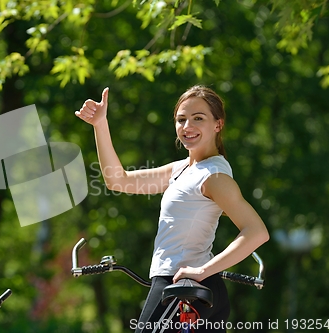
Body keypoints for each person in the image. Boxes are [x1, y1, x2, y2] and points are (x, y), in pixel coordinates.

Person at [75, 86, 269, 332]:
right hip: (187, 288)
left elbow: (256, 231)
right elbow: (119, 181)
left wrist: (202, 270)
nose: (187, 126)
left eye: (198, 118)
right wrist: (100, 125)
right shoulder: (183, 170)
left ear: (218, 125)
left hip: (184, 290)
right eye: (181, 119)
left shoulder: (214, 175)